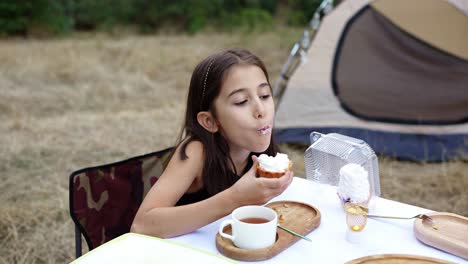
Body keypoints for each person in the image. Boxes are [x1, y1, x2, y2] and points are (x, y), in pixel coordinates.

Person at [131, 48, 294, 238]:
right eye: (241, 101)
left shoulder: (260, 149)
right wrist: (234, 198)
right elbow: (141, 225)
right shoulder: (196, 152)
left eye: (265, 95)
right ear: (210, 121)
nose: (261, 110)